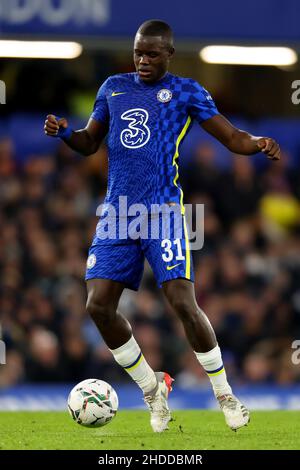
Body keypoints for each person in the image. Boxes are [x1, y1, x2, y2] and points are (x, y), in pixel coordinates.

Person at [44, 19, 280, 433]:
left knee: (183, 303)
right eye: (138, 52)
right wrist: (66, 133)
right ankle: (153, 391)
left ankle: (225, 395)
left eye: (152, 54)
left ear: (169, 54)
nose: (143, 60)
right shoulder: (113, 87)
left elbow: (231, 136)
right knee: (97, 306)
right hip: (117, 214)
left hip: (164, 213)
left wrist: (257, 143)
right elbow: (88, 142)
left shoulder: (187, 91)